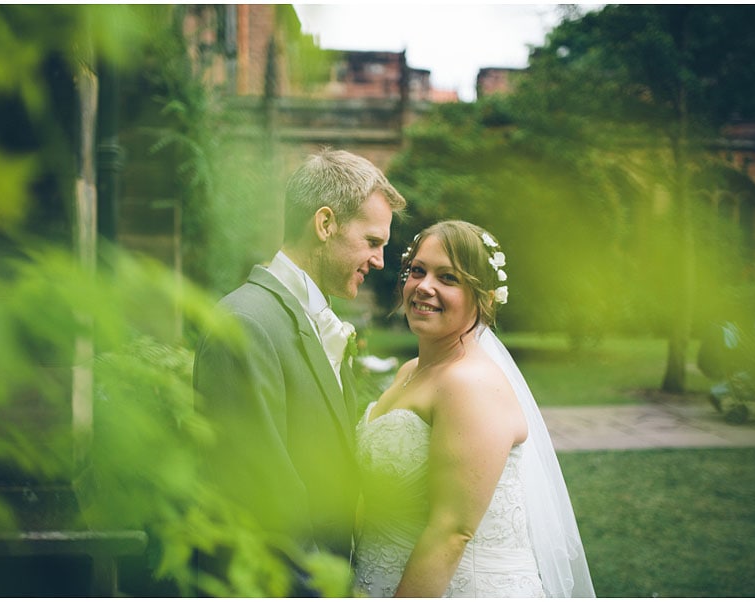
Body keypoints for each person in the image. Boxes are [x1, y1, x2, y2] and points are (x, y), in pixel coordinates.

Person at [193, 149, 407, 591]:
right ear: (325, 224)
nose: (381, 261)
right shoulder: (246, 324)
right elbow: (262, 504)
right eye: (372, 242)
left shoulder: (314, 318)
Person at [353, 220, 595, 598]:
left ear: (482, 298)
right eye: (418, 270)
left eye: (448, 278)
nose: (424, 287)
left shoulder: (471, 385)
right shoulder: (410, 371)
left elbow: (452, 531)